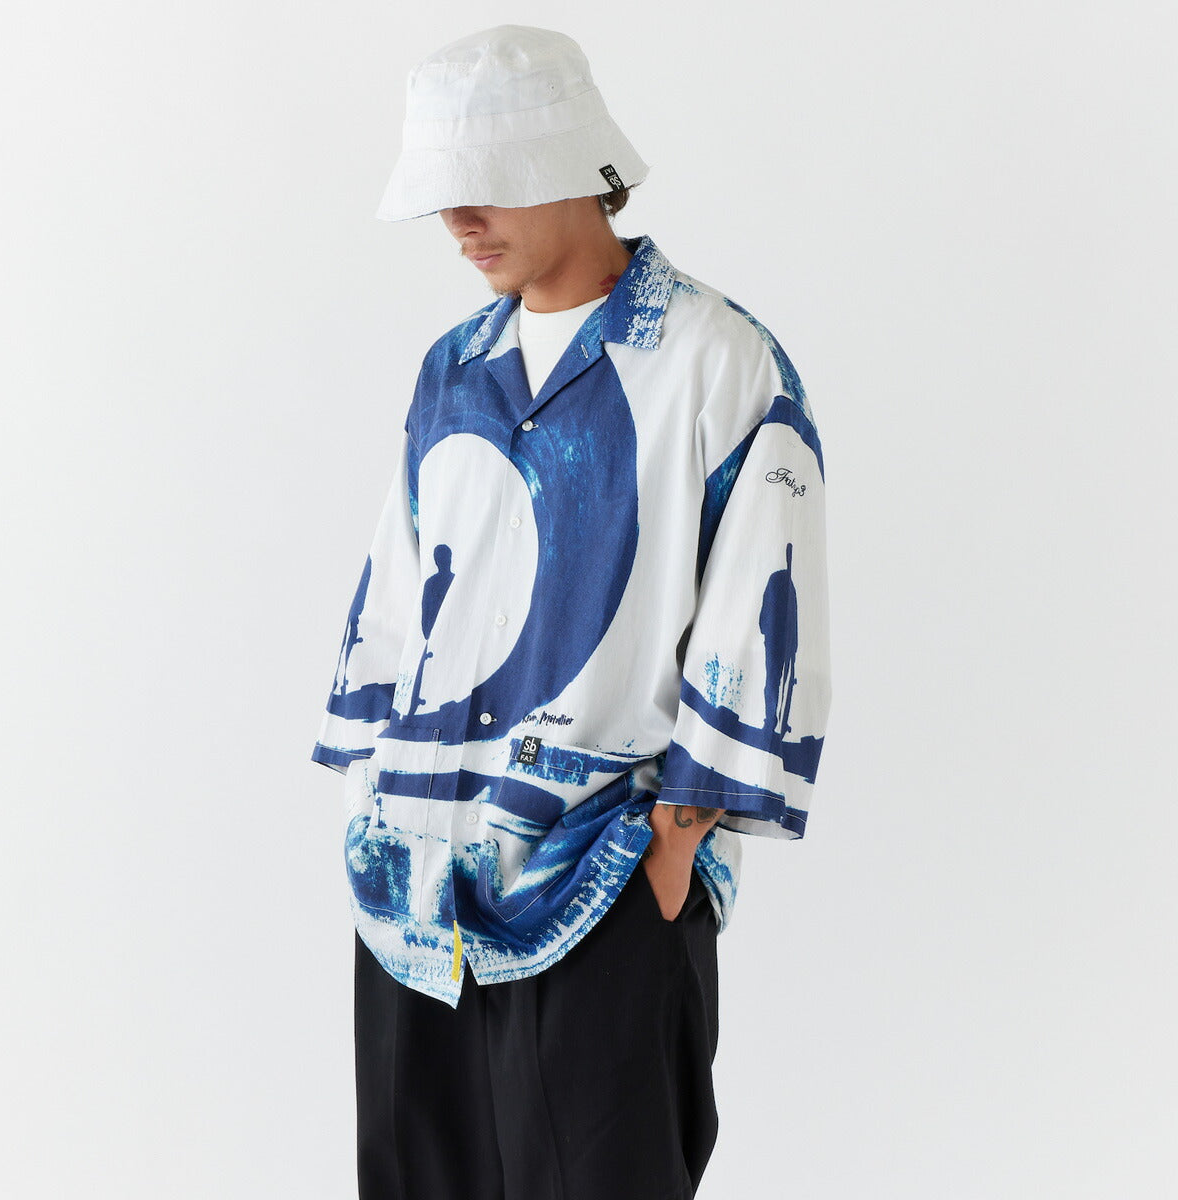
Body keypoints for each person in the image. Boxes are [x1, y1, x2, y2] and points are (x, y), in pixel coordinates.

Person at [311, 24, 832, 1200]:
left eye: (481, 185)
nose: (457, 221)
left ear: (566, 161)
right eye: (439, 196)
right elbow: (395, 592)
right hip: (411, 896)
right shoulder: (453, 367)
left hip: (601, 883)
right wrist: (365, 801)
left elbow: (763, 611)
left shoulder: (716, 361)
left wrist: (674, 845)